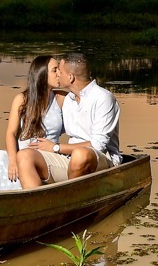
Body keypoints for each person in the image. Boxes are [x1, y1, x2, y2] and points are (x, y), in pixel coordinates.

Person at [27, 52, 120, 180]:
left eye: (60, 71)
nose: (58, 74)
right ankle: (37, 199)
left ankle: (68, 197)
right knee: (26, 156)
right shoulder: (68, 100)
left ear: (70, 77)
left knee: (80, 154)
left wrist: (55, 147)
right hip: (70, 160)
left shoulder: (103, 98)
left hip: (103, 161)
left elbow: (98, 145)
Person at [0, 55, 63, 190]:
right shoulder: (22, 99)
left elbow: (75, 125)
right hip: (22, 155)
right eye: (55, 70)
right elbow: (11, 133)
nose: (59, 73)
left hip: (46, 159)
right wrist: (13, 161)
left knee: (25, 160)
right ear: (42, 74)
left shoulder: (61, 99)